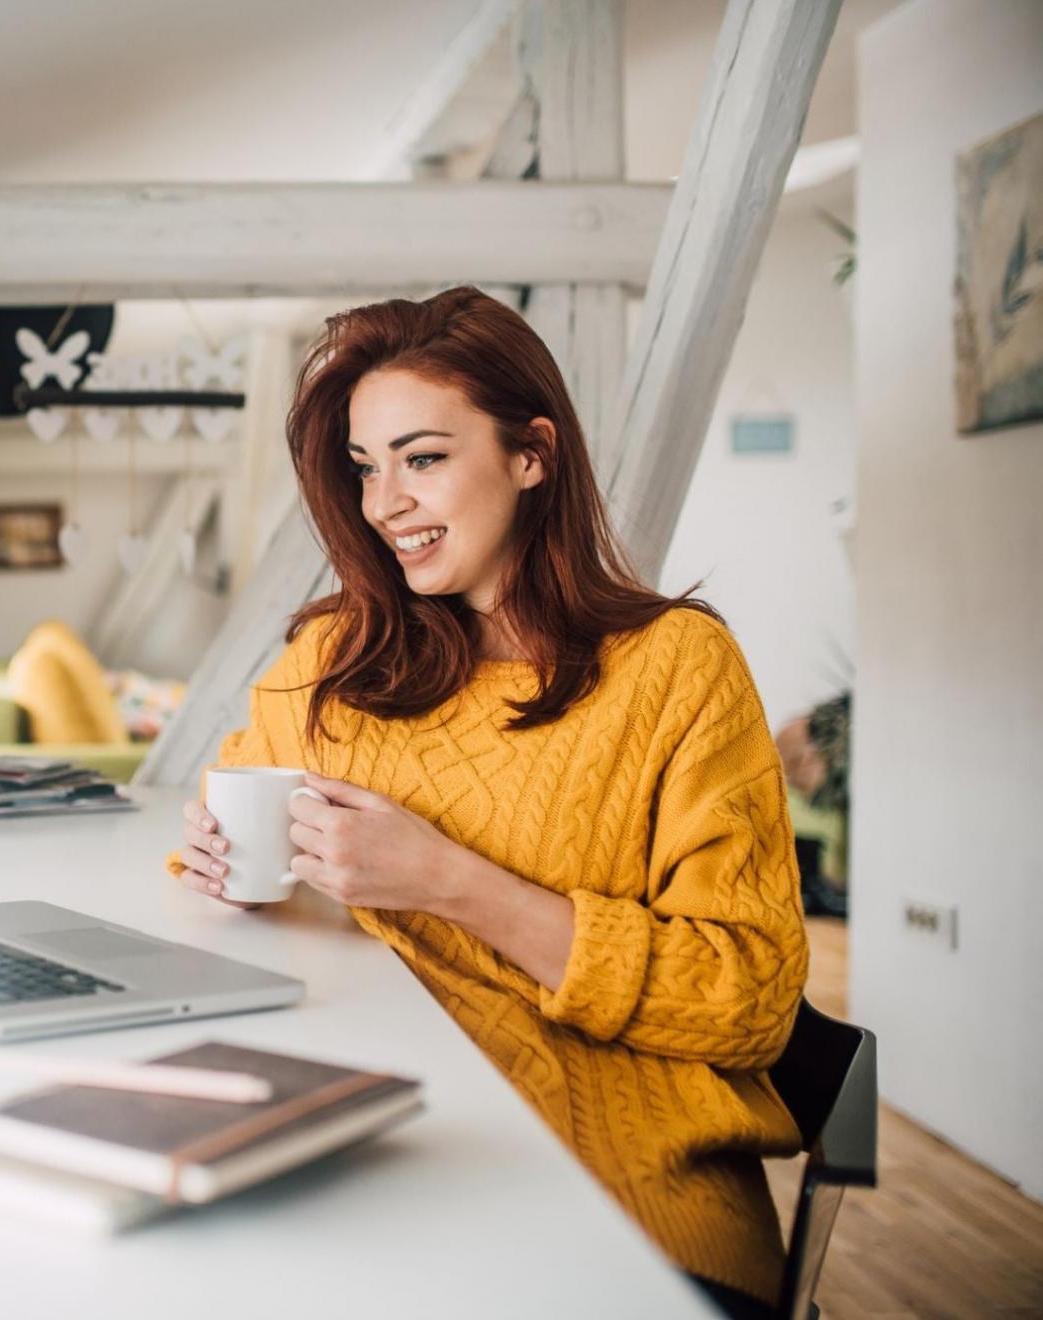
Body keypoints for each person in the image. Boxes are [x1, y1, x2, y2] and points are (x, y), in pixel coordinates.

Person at [168, 287, 807, 1320]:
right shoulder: (332, 656)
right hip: (374, 1157)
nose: (385, 505)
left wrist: (452, 884)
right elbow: (228, 853)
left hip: (615, 1207)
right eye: (366, 469)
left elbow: (750, 996)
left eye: (422, 458)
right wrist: (219, 868)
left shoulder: (676, 668)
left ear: (532, 454)